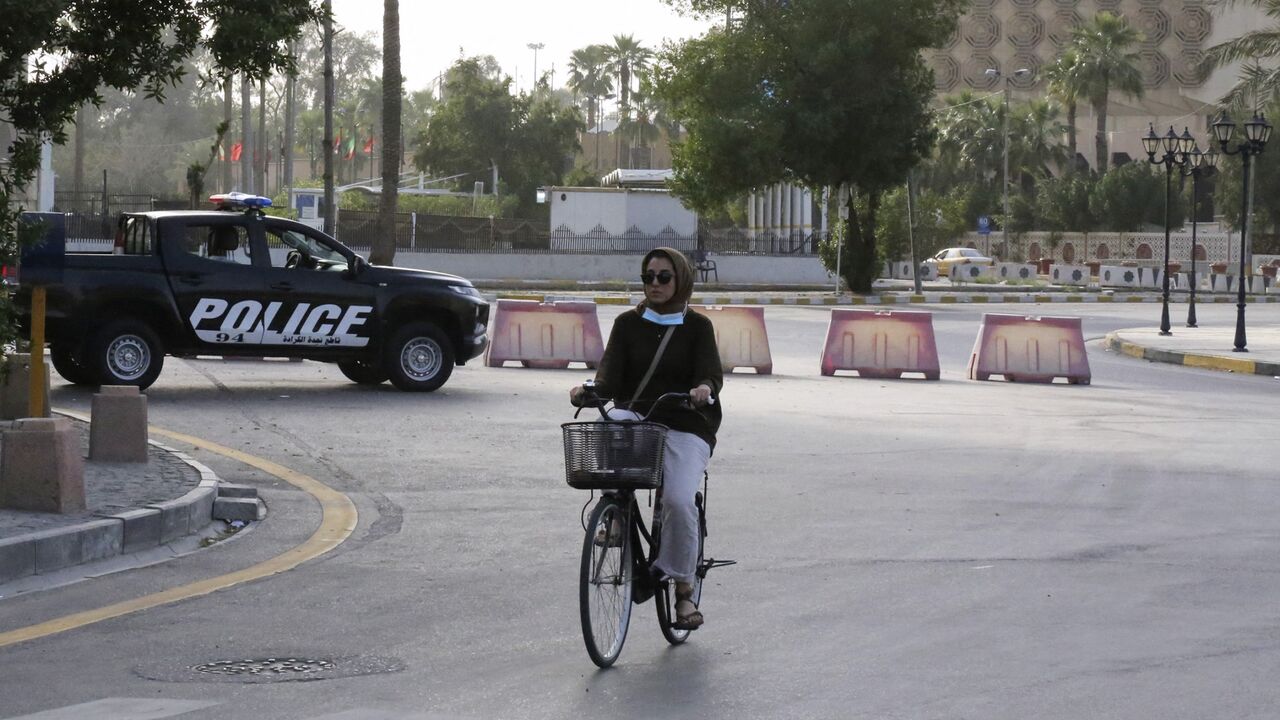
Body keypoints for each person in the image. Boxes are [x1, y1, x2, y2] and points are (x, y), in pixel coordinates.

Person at [570, 247, 723, 629]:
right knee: (613, 419)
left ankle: (683, 592)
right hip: (640, 416)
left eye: (663, 277)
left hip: (686, 423)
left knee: (678, 501)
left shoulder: (698, 327)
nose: (654, 284)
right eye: (648, 276)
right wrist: (589, 393)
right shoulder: (627, 324)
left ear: (681, 280)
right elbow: (609, 379)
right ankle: (615, 510)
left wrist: (703, 388)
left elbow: (711, 375)